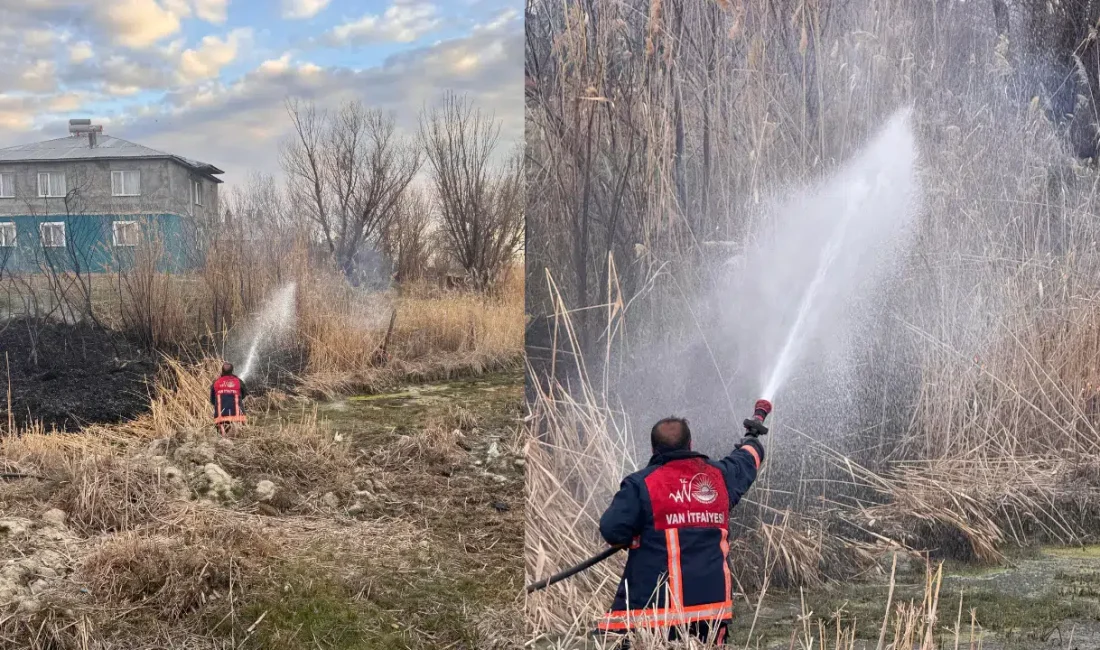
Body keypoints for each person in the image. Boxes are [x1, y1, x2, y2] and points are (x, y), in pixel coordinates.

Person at [596, 400, 772, 647]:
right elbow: (747, 459)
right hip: (711, 613)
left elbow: (612, 530)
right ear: (690, 444)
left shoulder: (640, 484)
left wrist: (636, 534)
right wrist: (752, 439)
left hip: (654, 614)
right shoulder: (719, 478)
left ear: (654, 449)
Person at [210, 362, 248, 435]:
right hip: (238, 417)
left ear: (222, 371)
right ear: (232, 371)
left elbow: (212, 401)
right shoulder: (239, 381)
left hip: (221, 418)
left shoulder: (216, 382)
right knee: (240, 438)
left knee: (223, 439)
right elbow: (244, 395)